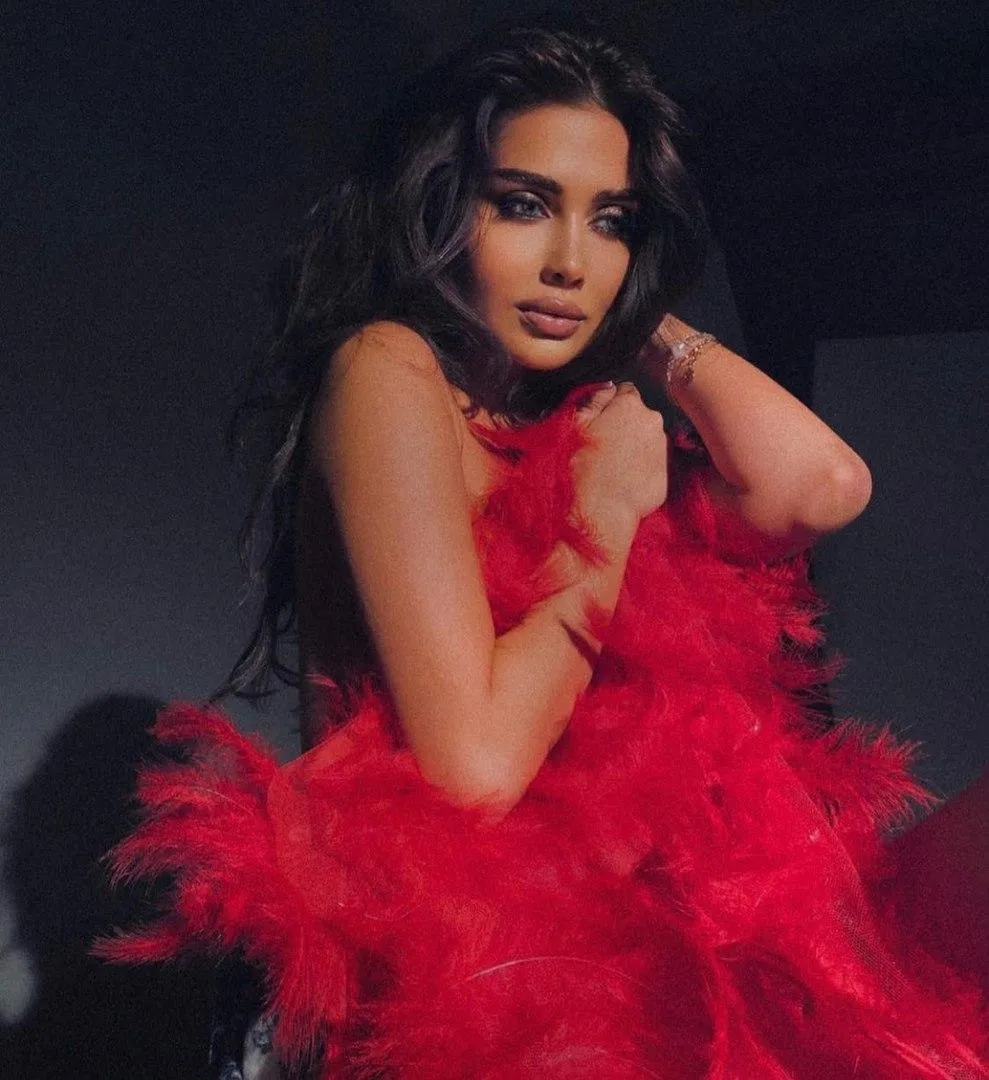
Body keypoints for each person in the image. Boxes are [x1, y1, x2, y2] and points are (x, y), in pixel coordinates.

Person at [97, 21, 988, 1079]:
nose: (568, 261)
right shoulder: (386, 374)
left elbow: (819, 486)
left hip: (597, 972)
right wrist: (603, 516)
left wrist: (639, 316)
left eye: (607, 220)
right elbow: (469, 772)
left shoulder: (560, 418)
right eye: (522, 205)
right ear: (437, 205)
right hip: (424, 986)